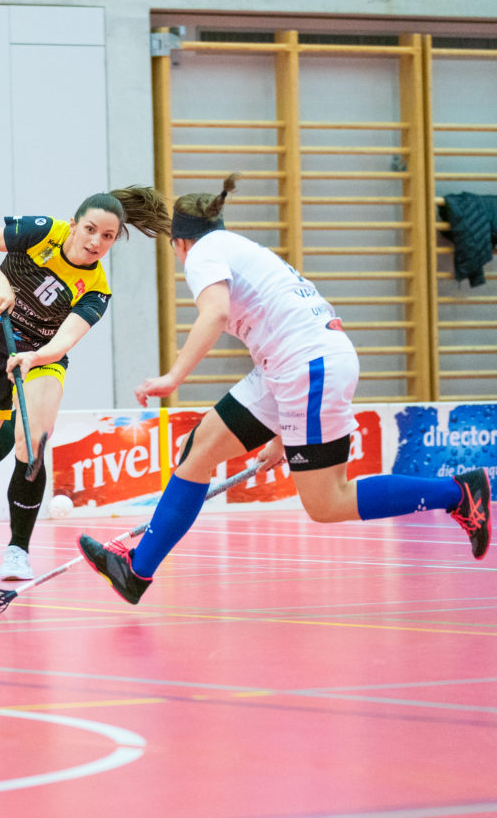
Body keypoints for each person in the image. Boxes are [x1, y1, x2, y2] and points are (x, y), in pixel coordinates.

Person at [78, 174, 491, 604]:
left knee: (328, 502)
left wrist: (172, 378)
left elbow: (215, 313)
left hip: (307, 367)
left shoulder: (201, 254)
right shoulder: (238, 247)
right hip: (289, 366)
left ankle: (457, 493)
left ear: (178, 243)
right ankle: (136, 571)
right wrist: (280, 436)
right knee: (199, 450)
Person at [0, 187, 171, 581]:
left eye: (107, 236)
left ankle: (18, 550)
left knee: (33, 443)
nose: (96, 242)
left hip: (40, 359)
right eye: (90, 229)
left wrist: (33, 357)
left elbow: (62, 343)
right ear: (73, 224)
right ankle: (12, 421)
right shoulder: (42, 232)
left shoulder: (96, 290)